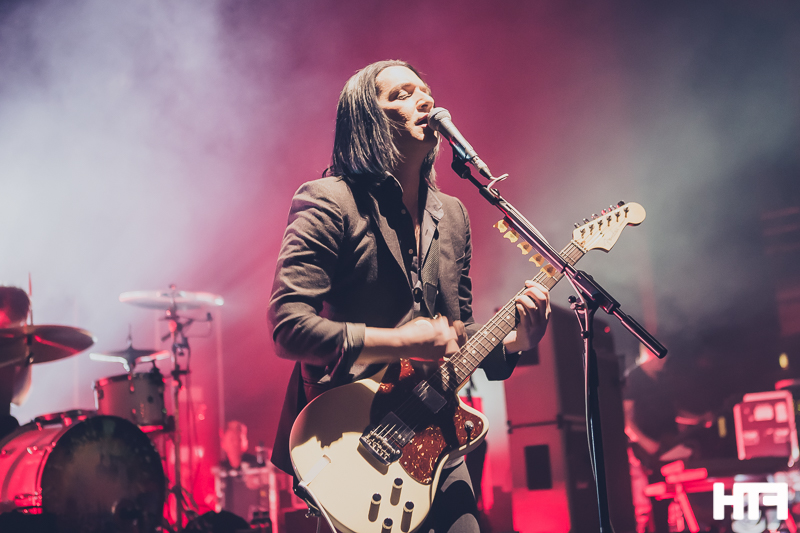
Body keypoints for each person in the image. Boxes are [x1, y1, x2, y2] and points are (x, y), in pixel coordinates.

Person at [268, 60, 550, 533]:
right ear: (367, 121)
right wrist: (400, 342)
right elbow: (288, 327)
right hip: (353, 441)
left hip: (434, 432)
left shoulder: (453, 215)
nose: (424, 99)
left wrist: (514, 342)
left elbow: (456, 331)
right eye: (400, 94)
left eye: (424, 90)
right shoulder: (329, 200)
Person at [0, 286, 33, 440]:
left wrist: (27, 359)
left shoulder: (10, 345)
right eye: (6, 324)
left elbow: (18, 398)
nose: (8, 332)